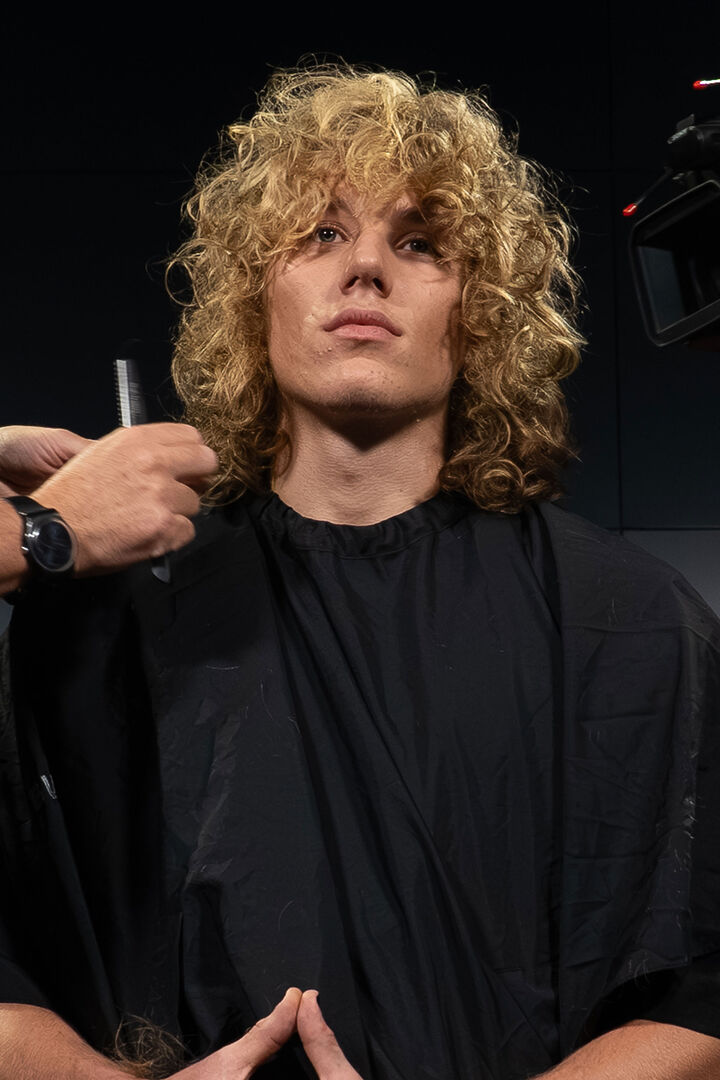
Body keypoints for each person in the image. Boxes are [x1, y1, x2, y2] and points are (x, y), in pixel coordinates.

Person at [2, 63, 720, 1080]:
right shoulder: (108, 606)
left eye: (420, 242)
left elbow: (704, 990)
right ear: (255, 294)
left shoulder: (630, 620)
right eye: (321, 233)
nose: (367, 268)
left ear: (480, 310)